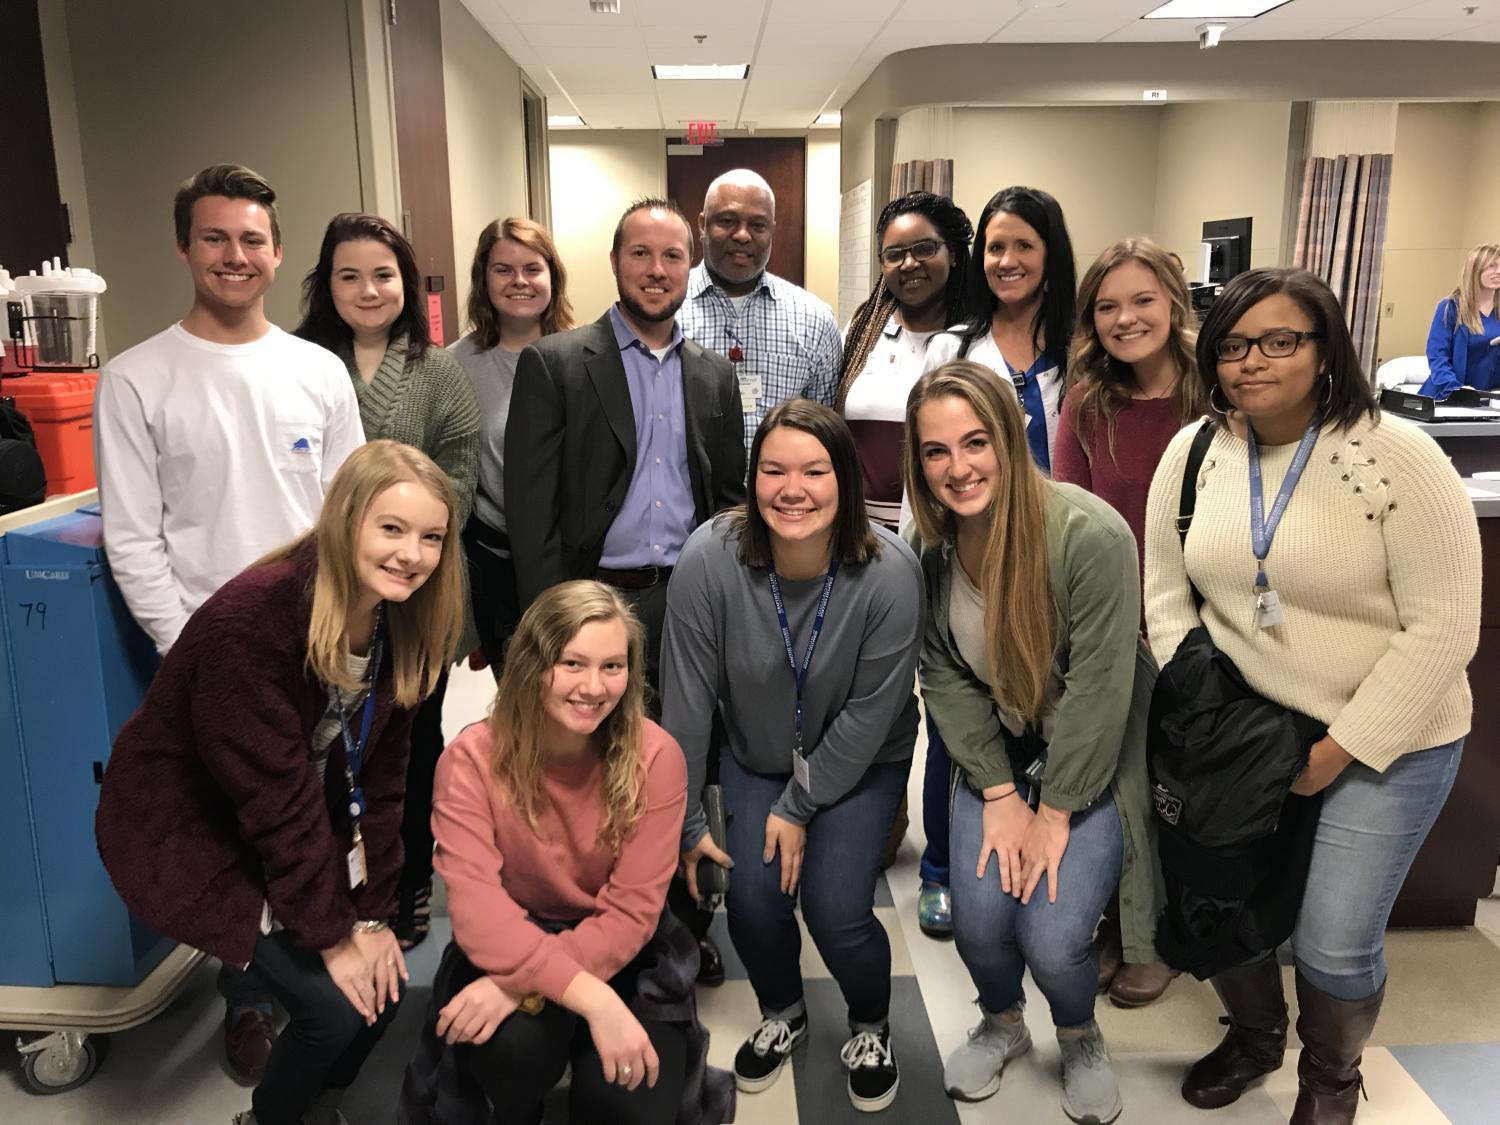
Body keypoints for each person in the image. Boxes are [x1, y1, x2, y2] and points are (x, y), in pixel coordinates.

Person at [1144, 267, 1481, 1124]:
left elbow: (1444, 631)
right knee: (1224, 900)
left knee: (1333, 937)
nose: (1251, 361)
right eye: (1231, 344)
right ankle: (1256, 1037)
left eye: (1279, 340)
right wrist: (1209, 709)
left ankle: (1330, 1076)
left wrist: (1334, 752)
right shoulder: (1193, 454)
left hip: (1387, 739)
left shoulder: (1399, 459)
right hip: (1244, 733)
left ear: (1326, 349)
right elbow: (1164, 593)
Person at [95, 440, 466, 1125]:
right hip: (193, 829)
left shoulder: (399, 620)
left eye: (431, 536)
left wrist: (373, 914)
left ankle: (320, 1108)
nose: (412, 553)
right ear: (345, 519)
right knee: (331, 1005)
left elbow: (385, 784)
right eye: (391, 528)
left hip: (293, 817)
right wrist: (333, 933)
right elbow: (275, 804)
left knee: (381, 987)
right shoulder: (253, 623)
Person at [93, 162, 365, 1081]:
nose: (234, 256)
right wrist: (198, 654)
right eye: (215, 238)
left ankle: (327, 970)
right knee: (233, 831)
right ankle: (252, 999)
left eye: (252, 240)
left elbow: (353, 515)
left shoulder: (316, 370)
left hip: (318, 641)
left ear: (277, 251)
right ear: (184, 247)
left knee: (313, 817)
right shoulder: (137, 378)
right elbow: (135, 542)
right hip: (206, 657)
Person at [905, 361, 1159, 1125]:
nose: (958, 468)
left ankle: (1079, 1036)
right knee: (978, 921)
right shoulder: (928, 544)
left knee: (1050, 934)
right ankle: (1003, 1022)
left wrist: (1051, 812)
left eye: (975, 442)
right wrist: (999, 792)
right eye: (935, 451)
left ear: (1012, 437)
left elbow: (1099, 691)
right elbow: (943, 671)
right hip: (1002, 752)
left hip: (1092, 751)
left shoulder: (1089, 535)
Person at [660, 400, 924, 1113]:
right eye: (772, 469)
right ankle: (785, 1011)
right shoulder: (709, 558)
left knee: (837, 908)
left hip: (861, 761)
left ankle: (870, 1022)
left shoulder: (891, 571)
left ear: (845, 476)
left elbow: (873, 714)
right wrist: (686, 821)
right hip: (757, 749)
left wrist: (797, 807)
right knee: (748, 901)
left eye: (815, 469)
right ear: (751, 479)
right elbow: (685, 702)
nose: (792, 487)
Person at [405, 580, 732, 1125]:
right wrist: (595, 1001)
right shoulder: (470, 761)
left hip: (624, 950)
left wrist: (521, 987)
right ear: (532, 665)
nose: (594, 686)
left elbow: (630, 914)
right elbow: (478, 914)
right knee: (513, 1060)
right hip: (514, 936)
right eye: (572, 663)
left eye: (612, 666)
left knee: (632, 1105)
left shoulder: (656, 756)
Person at [294, 212, 480, 952]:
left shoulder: (437, 371)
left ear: (406, 282)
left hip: (420, 585)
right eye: (349, 275)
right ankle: (324, 884)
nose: (369, 289)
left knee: (410, 741)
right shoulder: (300, 362)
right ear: (325, 285)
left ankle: (402, 883)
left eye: (383, 274)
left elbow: (460, 469)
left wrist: (408, 544)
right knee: (321, 742)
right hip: (327, 590)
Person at [504, 196, 746, 697]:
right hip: (591, 596)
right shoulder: (555, 365)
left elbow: (728, 503)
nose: (656, 270)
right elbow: (531, 514)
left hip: (687, 595)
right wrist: (553, 617)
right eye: (640, 254)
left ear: (690, 266)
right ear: (614, 262)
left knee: (684, 742)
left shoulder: (715, 376)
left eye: (673, 256)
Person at [1055, 237, 1200, 1009]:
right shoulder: (1089, 399)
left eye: (1141, 299)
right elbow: (1069, 512)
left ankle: (1171, 924)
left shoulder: (1217, 394)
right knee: (1128, 785)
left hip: (1210, 627)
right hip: (1123, 623)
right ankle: (1132, 932)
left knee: (1189, 788)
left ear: (1173, 301)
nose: (1124, 318)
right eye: (1107, 306)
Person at [837, 189, 973, 939]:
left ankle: (942, 869)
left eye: (924, 248)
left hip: (947, 544)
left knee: (950, 706)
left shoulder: (975, 336)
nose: (909, 263)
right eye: (895, 251)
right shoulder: (867, 324)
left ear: (955, 251)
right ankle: (875, 825)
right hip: (866, 545)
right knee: (876, 694)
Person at [451, 216, 576, 671]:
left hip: (573, 561)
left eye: (532, 268)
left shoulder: (585, 356)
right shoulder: (456, 365)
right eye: (503, 269)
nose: (519, 281)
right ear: (484, 279)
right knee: (520, 692)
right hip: (495, 566)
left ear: (552, 277)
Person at [678, 168, 842, 456]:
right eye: (727, 221)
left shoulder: (815, 320)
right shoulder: (668, 311)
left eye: (757, 225)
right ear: (702, 225)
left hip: (782, 496)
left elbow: (825, 435)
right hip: (686, 497)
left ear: (772, 230)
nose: (742, 235)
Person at [924, 185, 1078, 477]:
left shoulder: (1083, 351)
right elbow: (926, 460)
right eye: (996, 248)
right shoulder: (950, 351)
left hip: (1065, 520)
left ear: (1050, 255)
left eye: (1024, 245)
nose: (1007, 261)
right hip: (975, 518)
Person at [1418, 242, 1500, 399]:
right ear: (1474, 270)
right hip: (1448, 395)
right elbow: (1438, 356)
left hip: (1489, 399)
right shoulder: (1450, 308)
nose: (1498, 271)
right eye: (1491, 266)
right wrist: (1456, 389)